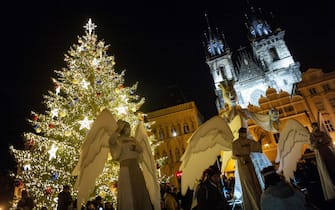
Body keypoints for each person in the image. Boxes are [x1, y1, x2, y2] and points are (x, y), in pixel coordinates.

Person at [109, 119, 153, 210]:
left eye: (129, 127)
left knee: (139, 190)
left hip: (135, 167)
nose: (129, 129)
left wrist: (134, 147)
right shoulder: (118, 139)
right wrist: (117, 130)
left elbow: (140, 149)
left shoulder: (132, 139)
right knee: (127, 192)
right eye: (127, 127)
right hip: (125, 167)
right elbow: (111, 142)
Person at [232, 127, 263, 210]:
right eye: (242, 133)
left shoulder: (248, 141)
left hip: (249, 162)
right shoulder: (236, 143)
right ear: (239, 133)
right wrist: (242, 158)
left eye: (245, 133)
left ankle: (259, 201)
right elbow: (235, 154)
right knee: (247, 182)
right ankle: (251, 204)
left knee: (255, 181)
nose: (244, 134)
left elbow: (257, 147)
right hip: (243, 164)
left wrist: (260, 140)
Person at [309, 122, 335, 200]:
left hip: (327, 151)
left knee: (332, 166)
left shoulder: (323, 133)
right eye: (314, 127)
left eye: (316, 126)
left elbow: (329, 140)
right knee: (326, 169)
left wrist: (324, 141)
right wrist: (317, 142)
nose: (315, 128)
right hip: (321, 153)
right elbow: (312, 146)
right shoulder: (312, 136)